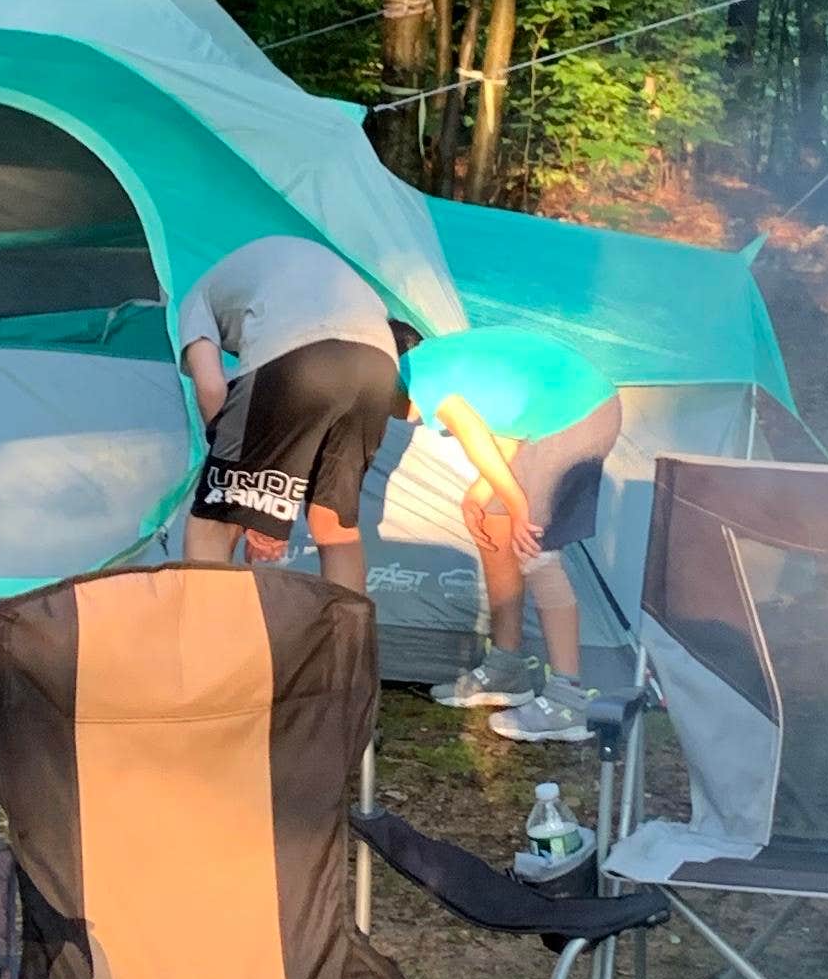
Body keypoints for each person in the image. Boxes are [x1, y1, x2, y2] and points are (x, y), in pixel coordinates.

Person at [380, 321, 622, 746]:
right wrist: (480, 494)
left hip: (579, 414)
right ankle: (507, 668)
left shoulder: (417, 370)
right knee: (493, 523)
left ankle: (568, 700)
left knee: (536, 548)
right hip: (550, 417)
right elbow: (510, 426)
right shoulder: (434, 362)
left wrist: (518, 503)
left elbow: (473, 433)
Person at [171, 233, 402, 597]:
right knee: (334, 525)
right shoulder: (258, 272)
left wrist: (245, 493)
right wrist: (265, 493)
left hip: (297, 352)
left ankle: (210, 632)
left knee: (213, 520)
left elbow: (211, 388)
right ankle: (346, 635)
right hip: (378, 360)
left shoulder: (192, 301)